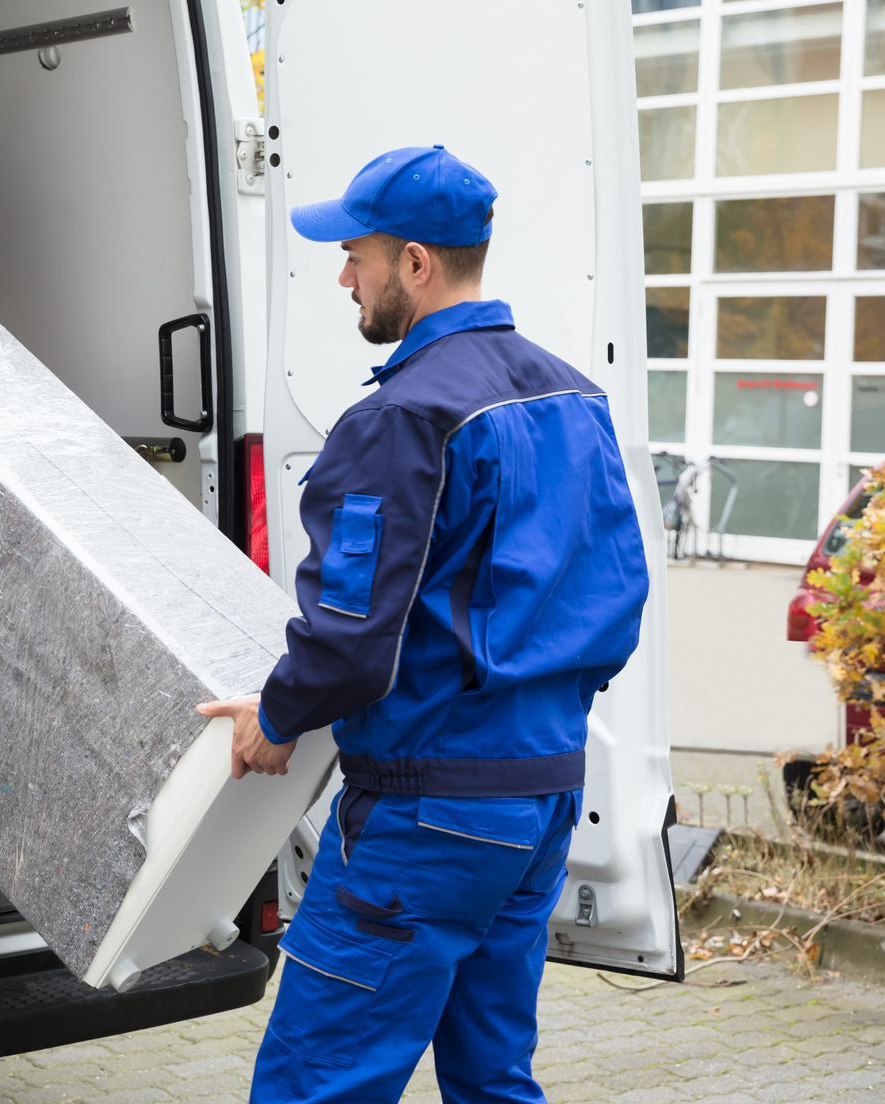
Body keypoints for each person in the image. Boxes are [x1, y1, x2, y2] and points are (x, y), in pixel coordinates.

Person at [197, 145, 649, 1103]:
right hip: (539, 804)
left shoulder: (404, 418)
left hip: (428, 814)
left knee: (317, 1082)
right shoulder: (573, 393)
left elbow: (354, 639)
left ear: (414, 263)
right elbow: (616, 599)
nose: (342, 276)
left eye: (355, 254)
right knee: (491, 1077)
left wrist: (275, 719)